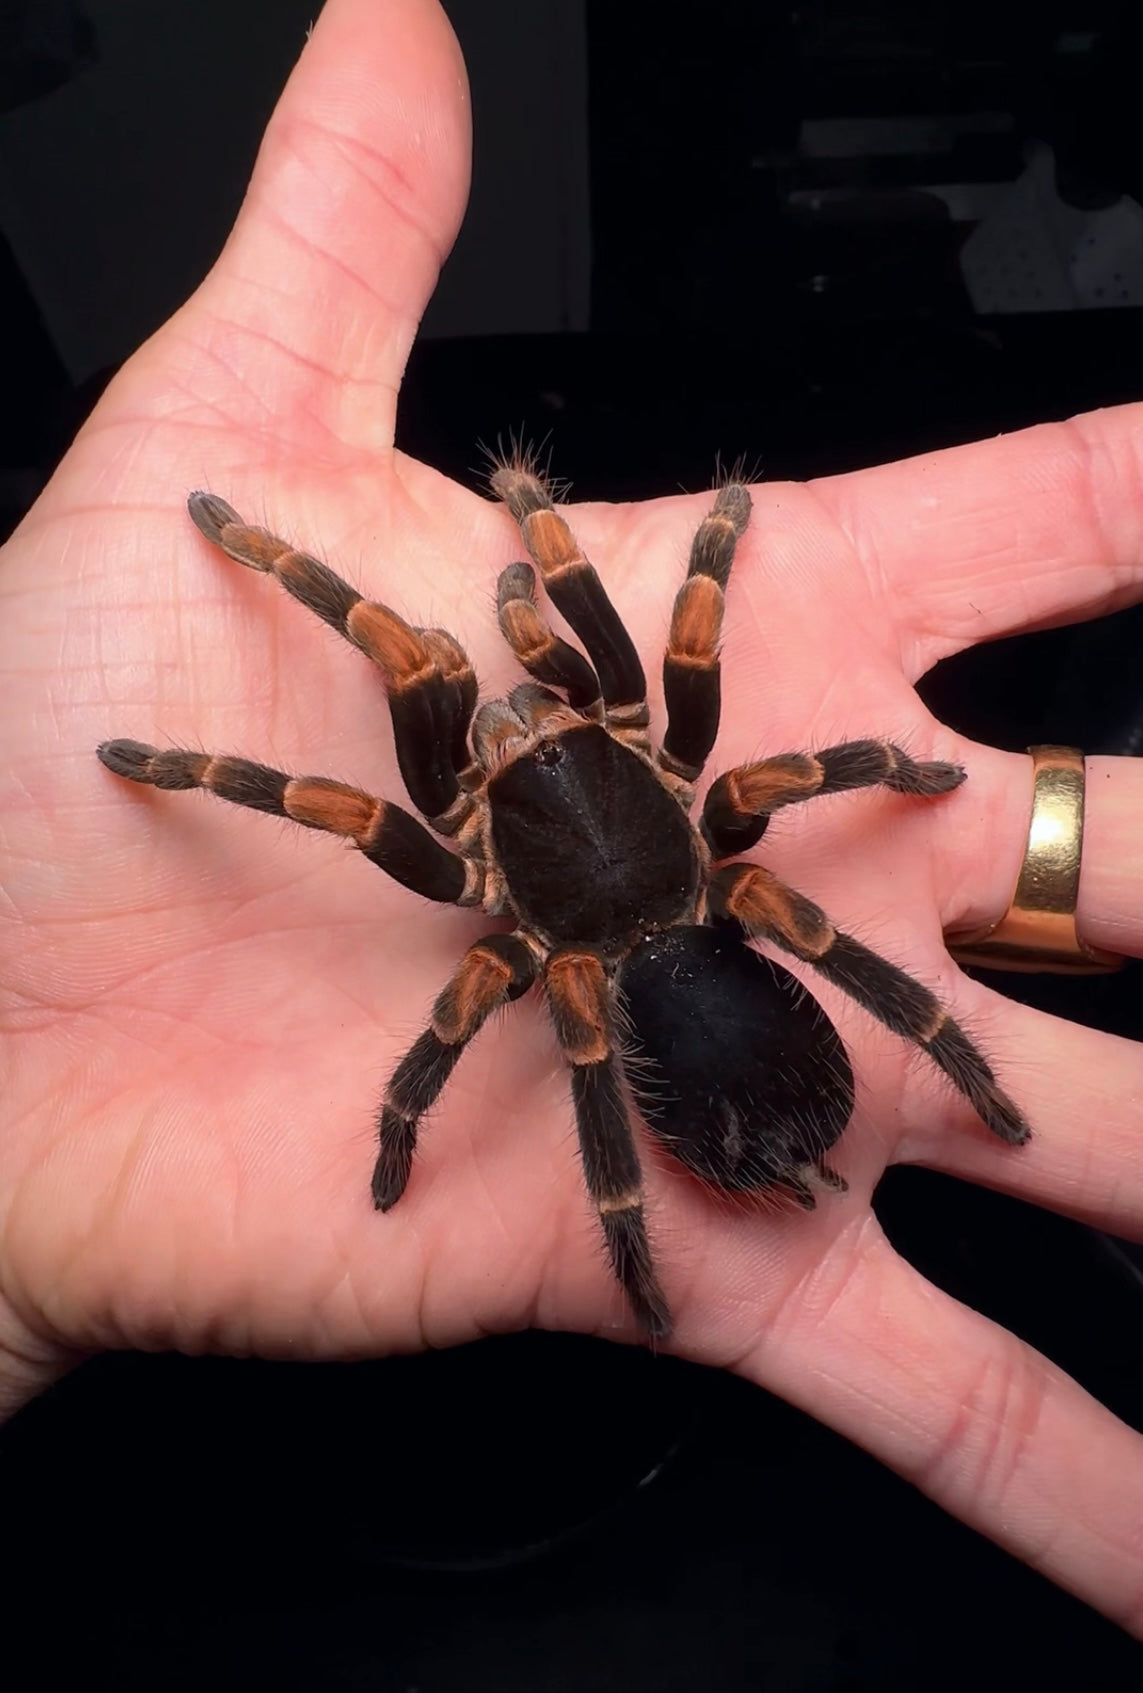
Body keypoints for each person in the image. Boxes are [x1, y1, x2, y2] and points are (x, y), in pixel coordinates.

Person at [1, 0, 1141, 1634]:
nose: (524, 707)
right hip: (682, 950)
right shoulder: (686, 806)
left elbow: (489, 751)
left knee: (567, 940)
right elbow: (689, 651)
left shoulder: (563, 911)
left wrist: (595, 550)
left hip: (659, 966)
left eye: (528, 705)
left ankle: (893, 1099)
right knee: (727, 912)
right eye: (532, 708)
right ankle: (933, 1081)